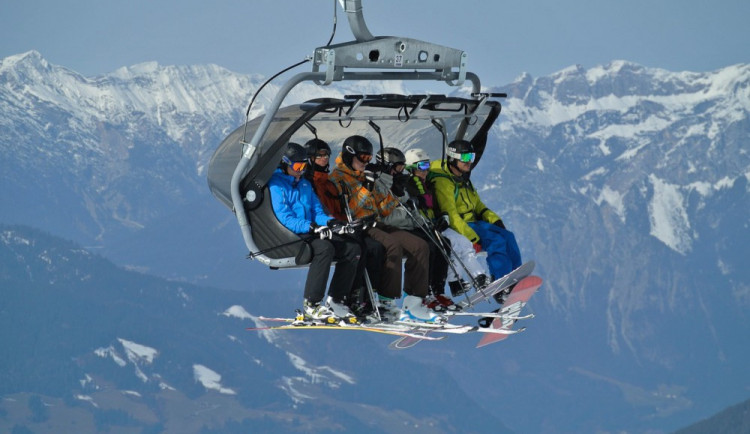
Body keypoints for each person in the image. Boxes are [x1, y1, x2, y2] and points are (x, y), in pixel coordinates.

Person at [329, 135, 438, 323]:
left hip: (377, 221)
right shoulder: (338, 177)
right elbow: (354, 209)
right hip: (360, 225)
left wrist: (395, 193)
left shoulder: (364, 175)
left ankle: (414, 302)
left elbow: (383, 208)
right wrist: (367, 186)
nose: (366, 162)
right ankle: (385, 301)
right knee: (392, 246)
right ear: (349, 156)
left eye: (368, 159)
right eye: (363, 158)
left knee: (420, 246)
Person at [268, 142, 362, 322]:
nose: (301, 170)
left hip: (309, 230)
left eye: (304, 166)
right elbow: (285, 218)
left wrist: (332, 222)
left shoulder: (303, 184)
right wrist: (312, 227)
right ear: (285, 163)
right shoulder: (276, 185)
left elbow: (317, 212)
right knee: (324, 248)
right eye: (297, 166)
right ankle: (312, 304)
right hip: (290, 235)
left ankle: (336, 299)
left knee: (351, 247)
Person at [430, 140, 522, 302]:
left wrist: (495, 220)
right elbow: (451, 215)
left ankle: (514, 279)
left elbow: (478, 205)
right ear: (453, 158)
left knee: (508, 236)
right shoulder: (443, 182)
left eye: (471, 156)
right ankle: (501, 285)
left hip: (475, 223)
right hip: (463, 226)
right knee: (497, 241)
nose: (469, 161)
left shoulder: (462, 178)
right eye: (465, 157)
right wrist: (473, 238)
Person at [303, 138, 385, 317]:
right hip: (321, 228)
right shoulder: (311, 182)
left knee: (368, 246)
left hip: (337, 224)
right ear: (309, 159)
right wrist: (333, 224)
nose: (324, 159)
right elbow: (320, 211)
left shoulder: (327, 182)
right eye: (319, 156)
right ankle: (344, 297)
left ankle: (357, 297)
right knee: (358, 246)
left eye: (326, 155)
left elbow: (341, 208)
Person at [403, 147, 490, 303]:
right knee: (450, 245)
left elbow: (434, 205)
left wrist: (443, 217)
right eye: (422, 166)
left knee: (463, 242)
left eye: (427, 165)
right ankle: (456, 281)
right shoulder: (410, 185)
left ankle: (478, 277)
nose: (426, 170)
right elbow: (415, 209)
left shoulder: (427, 184)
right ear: (411, 168)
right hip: (424, 227)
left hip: (436, 224)